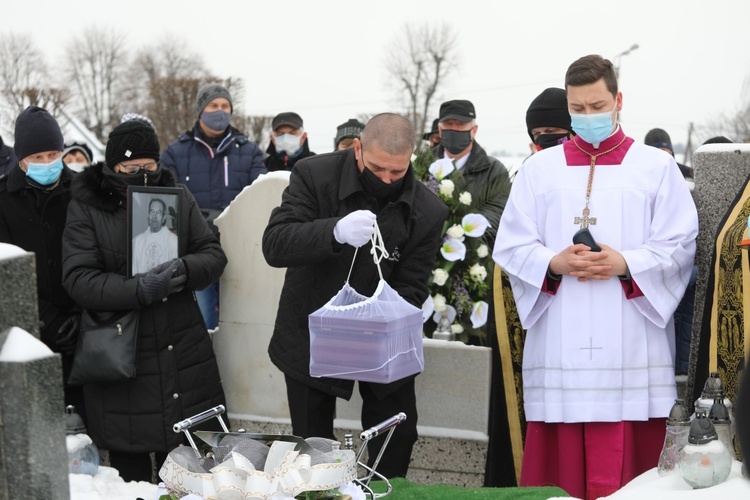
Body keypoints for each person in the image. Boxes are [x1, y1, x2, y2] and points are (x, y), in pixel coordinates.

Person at [493, 54, 698, 499]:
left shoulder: (656, 168)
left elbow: (681, 245)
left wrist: (625, 264)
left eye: (597, 106)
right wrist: (554, 262)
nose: (588, 117)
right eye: (578, 109)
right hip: (562, 336)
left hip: (631, 337)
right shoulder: (537, 170)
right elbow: (509, 245)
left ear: (618, 99)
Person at [262, 113, 449, 478]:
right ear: (358, 149)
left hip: (382, 334)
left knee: (396, 433)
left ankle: (383, 490)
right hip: (311, 329)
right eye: (377, 168)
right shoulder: (315, 175)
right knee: (312, 444)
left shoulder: (427, 210)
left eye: (397, 172)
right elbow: (276, 244)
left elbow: (412, 284)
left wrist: (388, 317)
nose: (386, 180)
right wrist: (334, 232)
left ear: (411, 156)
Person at [62, 119, 227, 483]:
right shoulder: (87, 207)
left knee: (188, 471)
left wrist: (185, 268)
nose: (142, 174)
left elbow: (213, 254)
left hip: (180, 349)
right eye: (131, 168)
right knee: (130, 477)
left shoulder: (178, 197)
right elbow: (79, 279)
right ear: (112, 166)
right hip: (122, 354)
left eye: (149, 167)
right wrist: (139, 290)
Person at [162, 83, 266, 329]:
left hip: (240, 251)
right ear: (200, 111)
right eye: (213, 106)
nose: (220, 111)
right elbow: (167, 201)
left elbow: (260, 198)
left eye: (225, 106)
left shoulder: (249, 152)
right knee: (203, 324)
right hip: (198, 254)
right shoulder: (175, 153)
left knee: (240, 326)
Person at [0, 105, 81, 409]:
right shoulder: (4, 202)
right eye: (37, 158)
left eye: (52, 155)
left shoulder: (83, 191)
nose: (47, 163)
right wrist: (49, 320)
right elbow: (6, 273)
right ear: (21, 160)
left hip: (83, 324)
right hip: (30, 329)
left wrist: (79, 314)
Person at [432, 99, 510, 247]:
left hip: (476, 258)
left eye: (460, 125)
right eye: (449, 124)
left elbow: (497, 214)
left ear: (474, 130)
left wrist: (461, 235)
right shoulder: (421, 166)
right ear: (440, 130)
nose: (454, 129)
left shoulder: (494, 170)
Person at [131, 197, 179, 275]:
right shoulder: (136, 241)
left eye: (158, 213)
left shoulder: (173, 241)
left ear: (164, 218)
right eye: (152, 212)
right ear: (148, 215)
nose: (154, 216)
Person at [525, 87, 573, 154]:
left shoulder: (590, 162)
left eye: (550, 131)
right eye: (537, 133)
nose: (542, 139)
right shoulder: (532, 164)